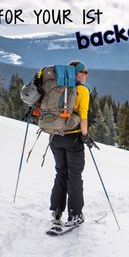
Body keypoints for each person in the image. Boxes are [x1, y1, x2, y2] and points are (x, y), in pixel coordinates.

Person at [49, 61, 94, 227]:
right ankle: (75, 215)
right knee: (74, 175)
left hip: (55, 137)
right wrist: (86, 136)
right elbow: (83, 116)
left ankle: (56, 211)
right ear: (77, 73)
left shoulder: (56, 86)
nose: (87, 74)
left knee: (60, 173)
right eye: (85, 71)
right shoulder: (81, 90)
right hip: (72, 138)